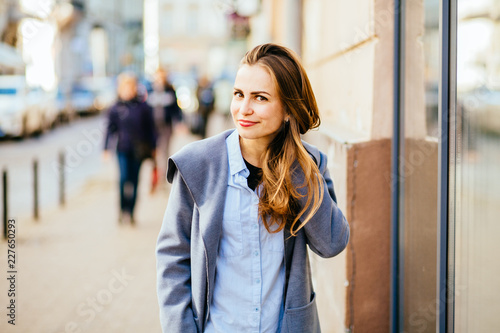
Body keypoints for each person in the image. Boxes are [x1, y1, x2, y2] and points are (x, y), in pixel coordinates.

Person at [156, 43, 350, 332]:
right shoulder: (197, 165)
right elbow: (173, 257)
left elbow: (331, 243)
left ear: (288, 109)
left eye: (260, 98)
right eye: (238, 94)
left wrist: (296, 163)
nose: (243, 109)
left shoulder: (309, 164)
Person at [104, 72, 157, 224]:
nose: (127, 90)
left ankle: (132, 213)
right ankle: (122, 210)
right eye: (124, 87)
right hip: (122, 148)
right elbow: (110, 129)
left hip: (139, 150)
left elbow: (151, 129)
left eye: (130, 87)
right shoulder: (115, 107)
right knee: (123, 179)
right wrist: (106, 148)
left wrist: (154, 147)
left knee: (134, 181)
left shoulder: (143, 106)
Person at [148, 68, 182, 178]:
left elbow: (176, 108)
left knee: (164, 150)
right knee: (153, 151)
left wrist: (179, 121)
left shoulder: (170, 90)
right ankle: (155, 175)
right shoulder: (149, 90)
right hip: (152, 126)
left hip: (166, 125)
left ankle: (164, 175)